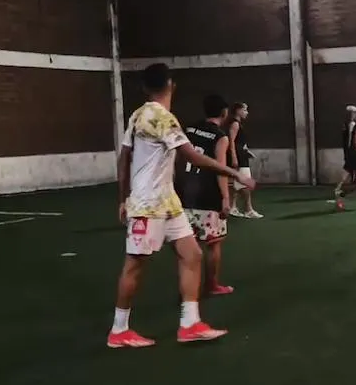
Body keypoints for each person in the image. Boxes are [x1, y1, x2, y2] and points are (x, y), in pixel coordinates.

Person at [107, 64, 255, 349]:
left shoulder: (137, 115)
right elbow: (192, 156)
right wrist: (235, 174)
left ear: (145, 88)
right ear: (171, 85)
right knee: (134, 265)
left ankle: (189, 324)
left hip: (168, 203)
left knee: (193, 254)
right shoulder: (163, 118)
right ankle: (119, 330)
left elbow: (124, 158)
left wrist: (122, 197)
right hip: (148, 204)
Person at [176, 93, 235, 299]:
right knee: (213, 243)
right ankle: (212, 285)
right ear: (224, 113)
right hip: (207, 195)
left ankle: (186, 289)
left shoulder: (189, 129)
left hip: (184, 192)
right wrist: (225, 198)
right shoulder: (220, 136)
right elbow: (220, 169)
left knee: (186, 247)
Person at [227, 102, 261, 218]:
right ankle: (248, 210)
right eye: (245, 110)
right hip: (239, 157)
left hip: (241, 154)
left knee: (235, 183)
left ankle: (233, 207)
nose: (247, 112)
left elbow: (239, 143)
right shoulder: (235, 124)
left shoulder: (238, 124)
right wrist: (234, 157)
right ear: (238, 111)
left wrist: (247, 151)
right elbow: (231, 141)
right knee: (245, 183)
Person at [333, 104, 356, 200]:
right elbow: (350, 140)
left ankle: (341, 188)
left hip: (348, 151)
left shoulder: (346, 124)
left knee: (349, 170)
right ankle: (339, 188)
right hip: (351, 152)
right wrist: (351, 150)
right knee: (348, 170)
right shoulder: (351, 125)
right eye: (355, 113)